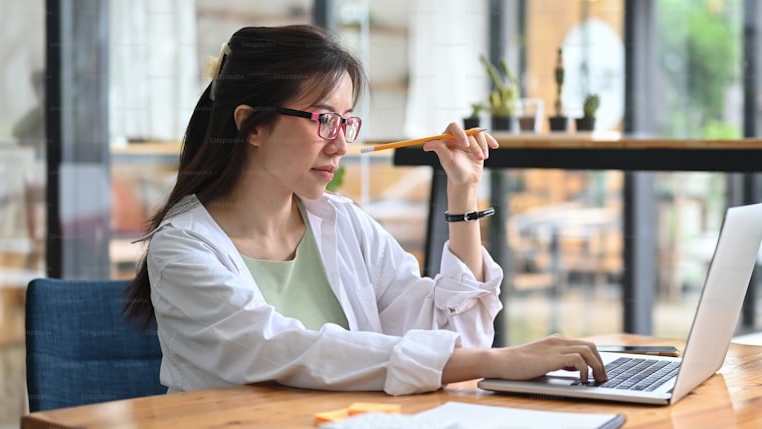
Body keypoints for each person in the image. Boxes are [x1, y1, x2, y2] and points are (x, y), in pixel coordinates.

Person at [123, 24, 605, 396]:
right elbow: (286, 349)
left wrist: (463, 195)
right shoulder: (184, 246)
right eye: (323, 120)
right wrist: (499, 362)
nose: (340, 145)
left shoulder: (343, 223)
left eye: (346, 122)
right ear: (251, 125)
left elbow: (456, 337)